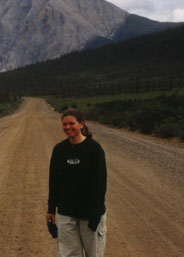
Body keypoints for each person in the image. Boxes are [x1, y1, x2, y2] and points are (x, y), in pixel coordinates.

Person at [46, 109, 107, 257]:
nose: (68, 127)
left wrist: (96, 214)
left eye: (72, 123)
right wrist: (51, 210)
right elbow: (54, 182)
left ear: (81, 124)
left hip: (89, 213)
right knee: (69, 254)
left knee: (94, 254)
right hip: (66, 214)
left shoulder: (94, 149)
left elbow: (100, 185)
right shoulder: (59, 150)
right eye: (65, 124)